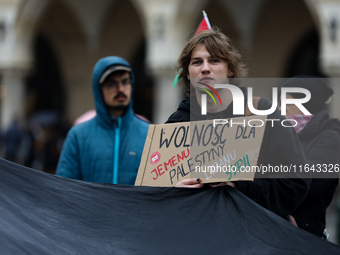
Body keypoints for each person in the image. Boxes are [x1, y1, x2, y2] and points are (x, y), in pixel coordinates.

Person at [166, 27, 311, 218]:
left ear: (231, 70)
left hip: (251, 238)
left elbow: (296, 182)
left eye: (215, 60)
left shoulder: (260, 113)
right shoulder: (177, 123)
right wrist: (172, 190)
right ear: (187, 74)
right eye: (197, 62)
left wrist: (239, 185)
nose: (205, 68)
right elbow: (156, 192)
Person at [56, 56, 149, 185]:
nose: (121, 89)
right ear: (98, 89)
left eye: (125, 82)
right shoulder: (78, 136)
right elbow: (64, 187)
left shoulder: (149, 134)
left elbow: (158, 191)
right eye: (112, 84)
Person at [280, 76, 340, 238]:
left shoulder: (329, 138)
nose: (281, 110)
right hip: (277, 229)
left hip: (303, 233)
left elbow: (306, 183)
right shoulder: (284, 134)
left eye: (289, 105)